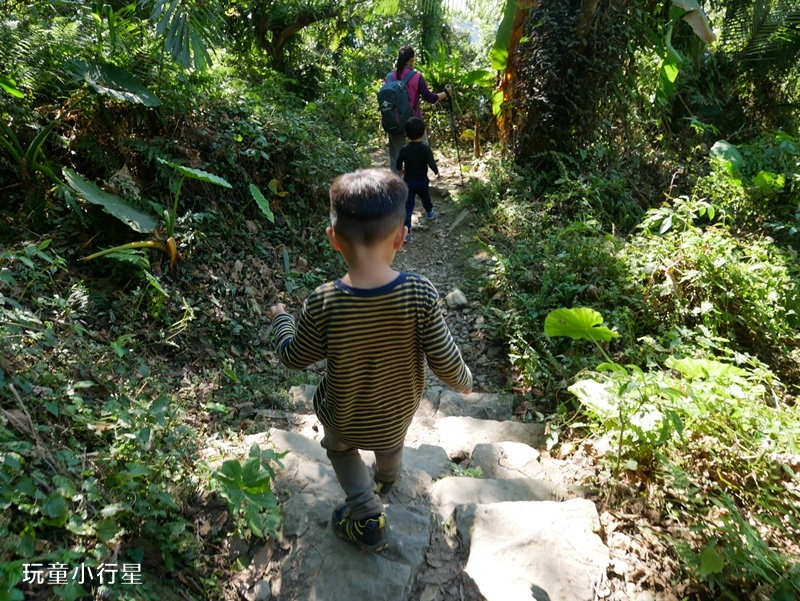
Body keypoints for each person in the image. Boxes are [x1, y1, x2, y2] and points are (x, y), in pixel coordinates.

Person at [269, 168, 472, 553]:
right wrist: (463, 381)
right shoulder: (420, 293)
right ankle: (387, 478)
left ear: (333, 239)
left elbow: (295, 357)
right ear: (401, 235)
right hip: (396, 414)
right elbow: (445, 360)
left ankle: (365, 511)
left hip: (344, 416)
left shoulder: (324, 301)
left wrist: (281, 319)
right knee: (391, 444)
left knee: (341, 449)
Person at [386, 45, 452, 174]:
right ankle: (419, 183)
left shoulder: (389, 77)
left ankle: (397, 190)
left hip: (395, 122)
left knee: (395, 158)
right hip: (414, 123)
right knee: (423, 152)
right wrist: (446, 93)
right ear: (411, 60)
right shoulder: (416, 77)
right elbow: (431, 98)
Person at [396, 117, 438, 242]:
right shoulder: (425, 149)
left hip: (408, 181)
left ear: (406, 134)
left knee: (408, 207)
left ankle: (406, 232)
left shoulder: (404, 150)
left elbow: (399, 162)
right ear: (424, 132)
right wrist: (436, 171)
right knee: (426, 198)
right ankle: (429, 212)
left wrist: (400, 169)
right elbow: (431, 162)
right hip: (422, 181)